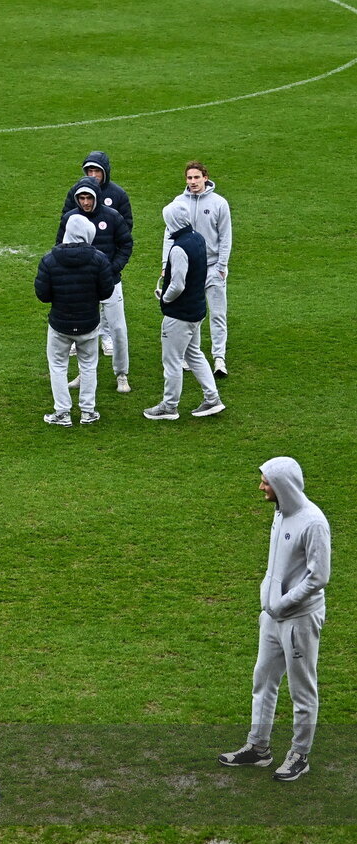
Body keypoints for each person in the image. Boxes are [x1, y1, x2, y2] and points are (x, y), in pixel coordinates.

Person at [219, 458, 331, 782]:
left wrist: (282, 603)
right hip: (272, 617)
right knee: (263, 681)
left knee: (302, 690)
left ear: (282, 485)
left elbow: (319, 577)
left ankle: (300, 754)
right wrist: (269, 601)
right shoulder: (280, 513)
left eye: (266, 482)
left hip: (299, 621)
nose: (261, 487)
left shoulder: (313, 523)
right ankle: (258, 747)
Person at [144, 201, 225, 420]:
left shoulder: (178, 248)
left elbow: (178, 284)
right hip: (196, 310)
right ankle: (212, 399)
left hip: (179, 315)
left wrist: (165, 299)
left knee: (171, 361)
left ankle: (170, 406)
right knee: (194, 354)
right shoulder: (198, 238)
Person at [35, 214, 114, 426]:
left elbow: (42, 294)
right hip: (89, 323)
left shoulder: (50, 259)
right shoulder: (99, 259)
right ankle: (88, 411)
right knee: (88, 366)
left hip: (60, 323)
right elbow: (107, 292)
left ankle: (62, 413)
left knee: (58, 366)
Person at [57, 177, 133, 394]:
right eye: (81, 198)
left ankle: (121, 374)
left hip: (110, 282)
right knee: (86, 329)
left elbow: (125, 244)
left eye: (89, 197)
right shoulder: (70, 218)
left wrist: (113, 269)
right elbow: (59, 246)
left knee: (118, 328)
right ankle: (84, 373)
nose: (85, 202)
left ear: (97, 197)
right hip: (84, 285)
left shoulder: (112, 216)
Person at [161, 161, 232, 378]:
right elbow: (168, 235)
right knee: (193, 313)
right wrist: (166, 265)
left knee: (218, 314)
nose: (193, 182)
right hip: (188, 269)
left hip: (212, 267)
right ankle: (192, 356)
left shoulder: (219, 203)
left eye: (196, 177)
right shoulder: (178, 203)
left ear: (205, 178)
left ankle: (219, 358)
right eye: (189, 178)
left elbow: (225, 236)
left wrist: (221, 266)